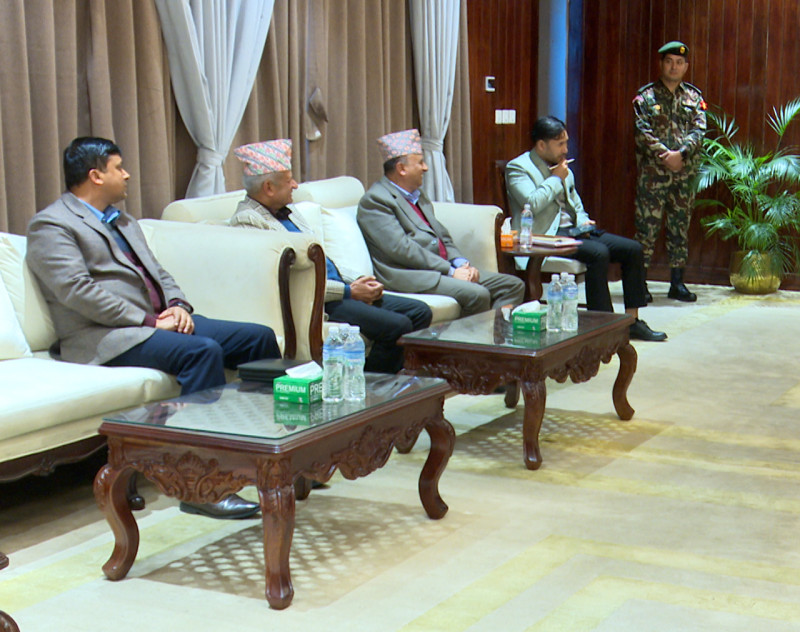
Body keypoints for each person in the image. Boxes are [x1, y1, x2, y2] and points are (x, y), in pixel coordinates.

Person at [26, 137, 279, 520]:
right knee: (202, 352)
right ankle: (200, 485)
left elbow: (159, 272)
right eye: (119, 167)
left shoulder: (122, 220)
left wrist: (177, 306)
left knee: (257, 338)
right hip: (104, 335)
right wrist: (149, 320)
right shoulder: (52, 225)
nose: (127, 174)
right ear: (96, 176)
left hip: (157, 321)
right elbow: (77, 292)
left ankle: (267, 459)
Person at [228, 138, 432, 373]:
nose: (295, 185)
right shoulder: (248, 221)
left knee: (420, 312)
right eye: (288, 180)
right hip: (320, 302)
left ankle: (388, 375)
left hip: (341, 289)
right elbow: (285, 282)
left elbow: (324, 261)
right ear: (269, 187)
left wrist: (357, 280)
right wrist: (348, 291)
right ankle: (370, 383)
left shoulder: (289, 212)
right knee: (397, 325)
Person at [506, 117, 667, 342]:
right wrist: (555, 179)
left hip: (573, 231)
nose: (566, 149)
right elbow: (530, 204)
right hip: (546, 235)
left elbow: (576, 204)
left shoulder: (562, 167)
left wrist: (583, 221)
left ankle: (632, 322)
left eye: (566, 142)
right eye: (560, 144)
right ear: (541, 145)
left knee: (633, 249)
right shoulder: (518, 168)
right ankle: (604, 325)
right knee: (598, 253)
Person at [357, 129, 525, 316]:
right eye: (420, 162)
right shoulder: (376, 200)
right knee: (477, 294)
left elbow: (442, 236)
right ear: (401, 168)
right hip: (411, 274)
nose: (426, 168)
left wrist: (461, 264)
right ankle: (471, 335)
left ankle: (495, 332)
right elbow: (402, 249)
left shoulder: (418, 195)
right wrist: (450, 271)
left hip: (441, 269)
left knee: (512, 285)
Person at [632, 40, 707, 303]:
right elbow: (642, 132)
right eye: (669, 62)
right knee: (646, 230)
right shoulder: (646, 98)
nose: (674, 67)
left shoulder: (694, 98)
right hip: (653, 176)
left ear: (686, 66)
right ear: (661, 64)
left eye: (679, 62)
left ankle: (677, 284)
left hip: (684, 175)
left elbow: (699, 131)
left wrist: (681, 154)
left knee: (680, 228)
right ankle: (639, 284)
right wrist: (667, 156)